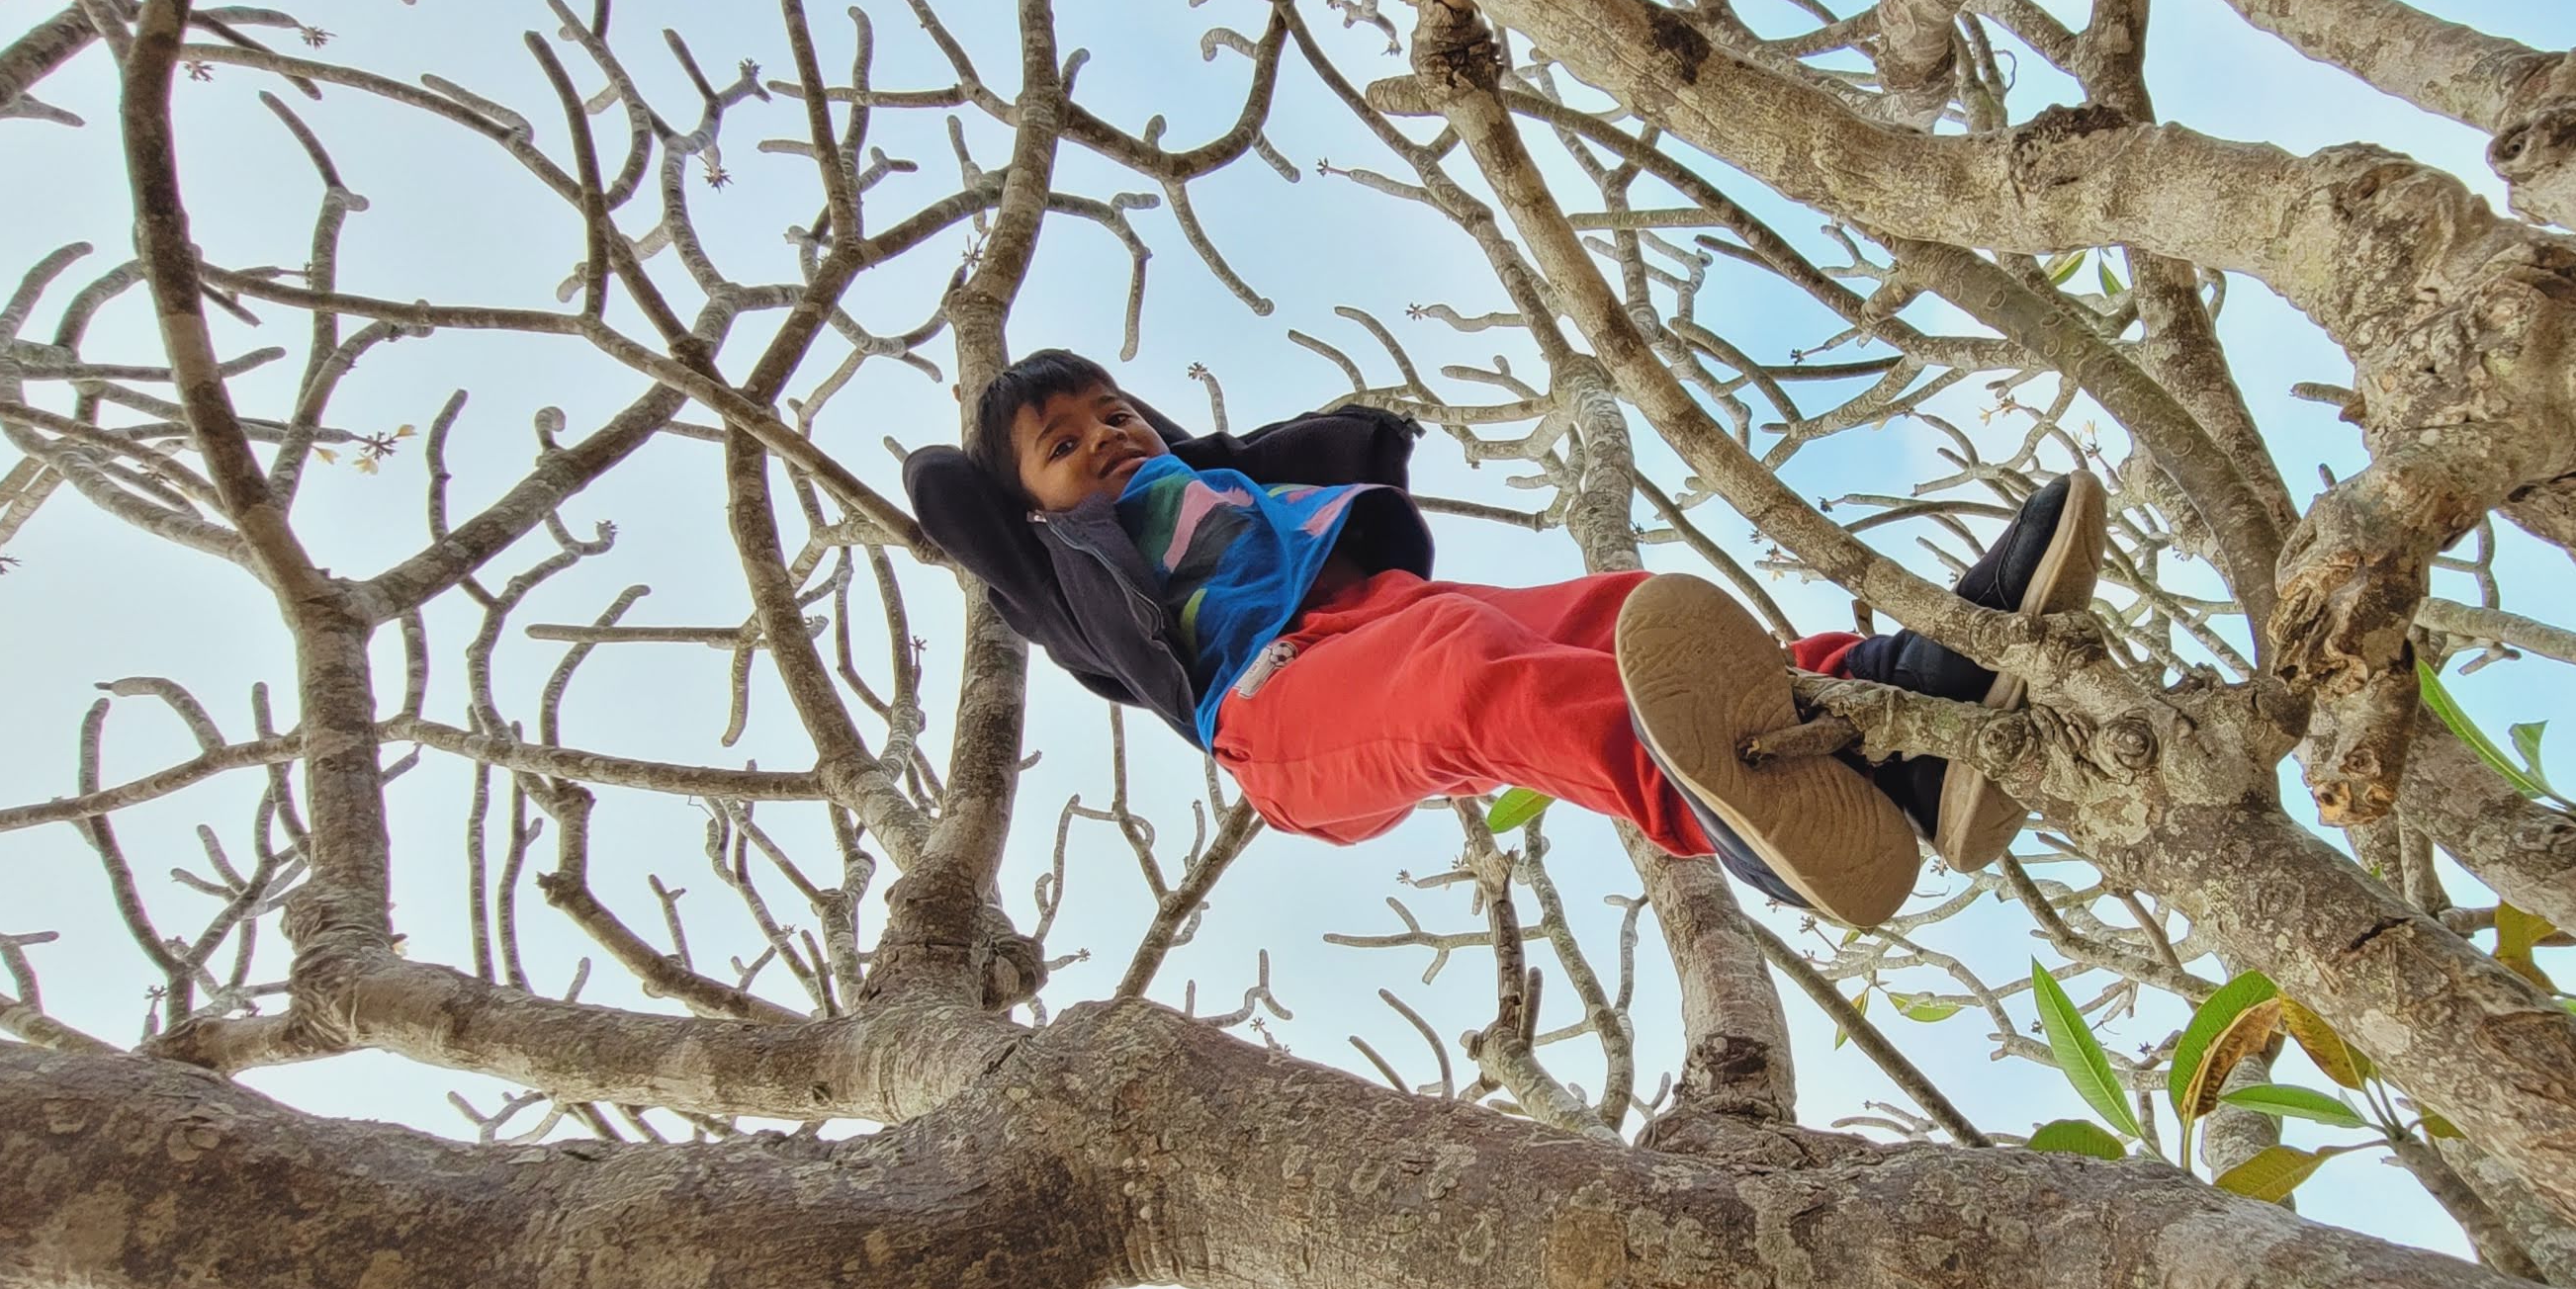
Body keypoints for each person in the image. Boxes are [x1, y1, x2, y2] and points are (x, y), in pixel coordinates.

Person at [901, 349, 2105, 928]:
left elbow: (1231, 447)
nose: (1105, 438)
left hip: (1371, 616)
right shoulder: (1061, 573)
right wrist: (1019, 486)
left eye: (1114, 412)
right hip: (1271, 708)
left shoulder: (1217, 477)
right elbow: (944, 487)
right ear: (1031, 507)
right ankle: (1733, 808)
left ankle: (1900, 709)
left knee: (1621, 619)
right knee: (1467, 680)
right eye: (1063, 444)